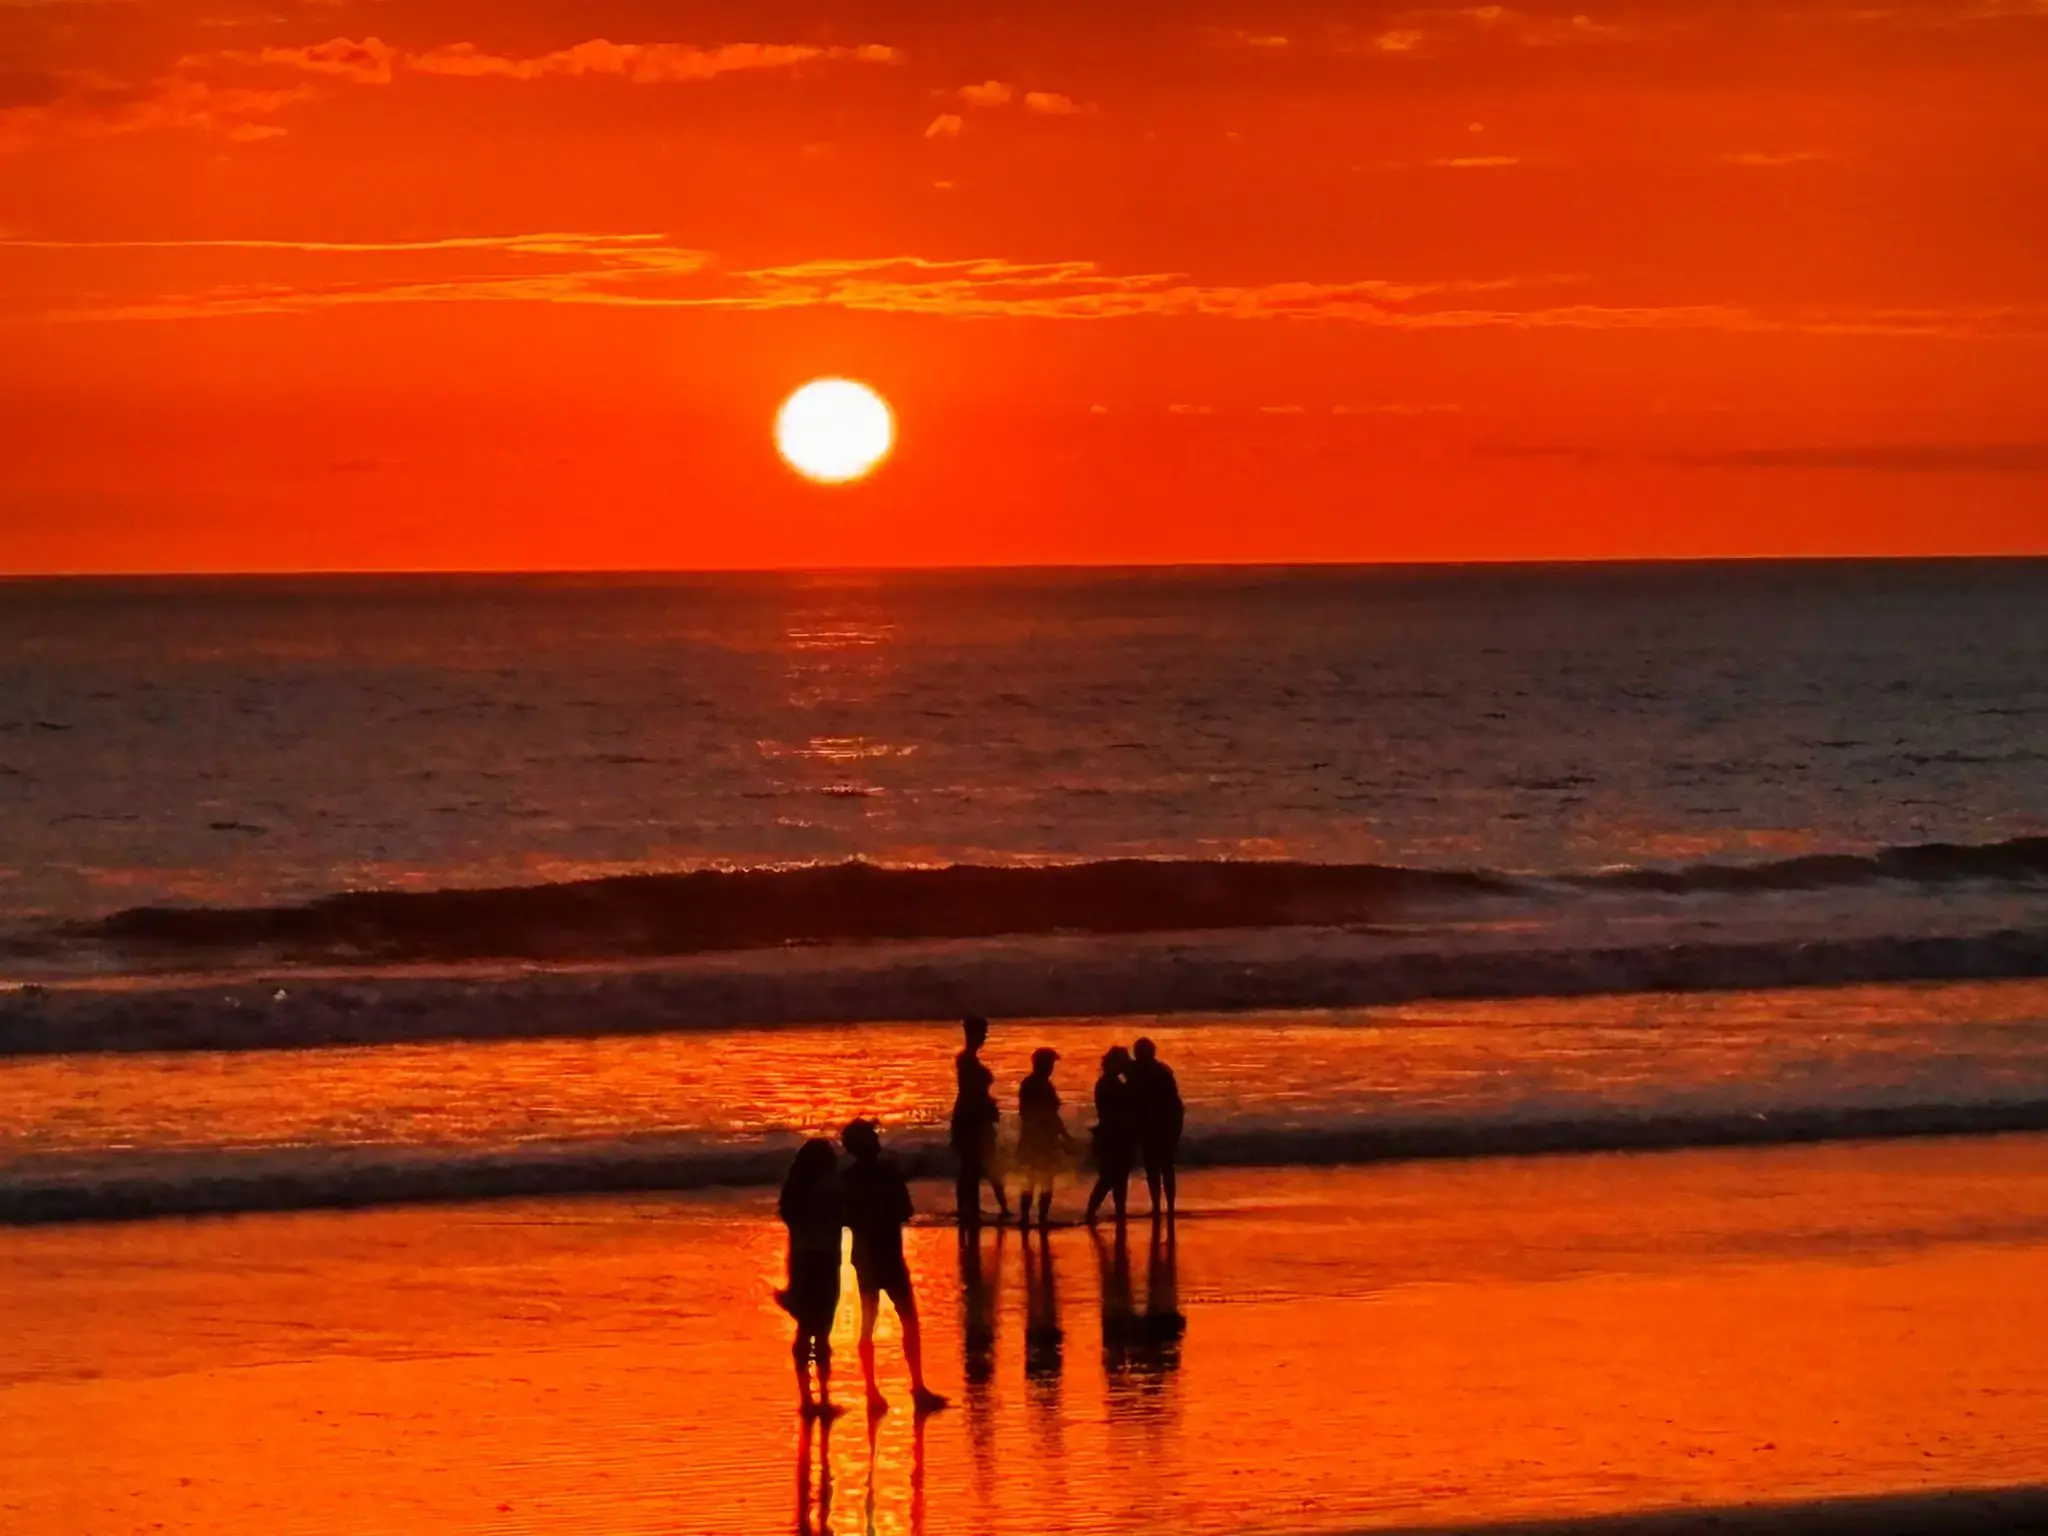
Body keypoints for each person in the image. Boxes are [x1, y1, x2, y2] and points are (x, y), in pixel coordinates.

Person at [839, 1117, 948, 1415]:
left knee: (868, 1324)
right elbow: (905, 1210)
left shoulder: (848, 1178)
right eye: (872, 1136)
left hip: (864, 1258)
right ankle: (917, 1386)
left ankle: (872, 1390)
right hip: (888, 1255)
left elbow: (845, 1217)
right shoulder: (888, 1171)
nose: (877, 1139)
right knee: (908, 1321)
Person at [776, 1138, 846, 1418]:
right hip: (826, 1261)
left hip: (800, 1260)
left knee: (805, 1328)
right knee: (822, 1331)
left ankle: (806, 1397)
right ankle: (824, 1396)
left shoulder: (794, 1193)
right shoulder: (829, 1189)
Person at [949, 1016, 1010, 1229]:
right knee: (972, 1166)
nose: (984, 1037)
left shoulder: (968, 1061)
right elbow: (971, 1093)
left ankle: (980, 1208)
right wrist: (987, 1107)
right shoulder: (966, 1061)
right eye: (982, 1033)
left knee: (981, 1164)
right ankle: (969, 1208)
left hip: (974, 1117)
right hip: (969, 1119)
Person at [1014, 1046, 1074, 1229]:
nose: (1051, 1068)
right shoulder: (1040, 1085)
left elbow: (1027, 1114)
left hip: (1032, 1138)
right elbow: (1049, 1116)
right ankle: (1039, 1218)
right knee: (1044, 1180)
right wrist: (1064, 1136)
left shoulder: (1030, 1084)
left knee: (1031, 1180)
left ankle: (1027, 1218)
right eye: (1049, 1063)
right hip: (1039, 1139)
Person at [1129, 1036, 1185, 1220]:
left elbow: (1172, 1104)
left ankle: (1163, 1207)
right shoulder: (1155, 1071)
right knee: (1159, 1167)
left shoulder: (1156, 1072)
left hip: (1162, 1124)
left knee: (1160, 1167)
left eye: (1139, 1053)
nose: (1137, 1056)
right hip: (1158, 1124)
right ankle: (1163, 1207)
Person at [1084, 1045, 1139, 1225]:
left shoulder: (1110, 1083)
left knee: (1117, 1178)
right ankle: (1091, 1212)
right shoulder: (1110, 1084)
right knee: (1110, 1178)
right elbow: (1127, 1102)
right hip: (1113, 1135)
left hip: (1115, 1134)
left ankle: (1116, 1211)